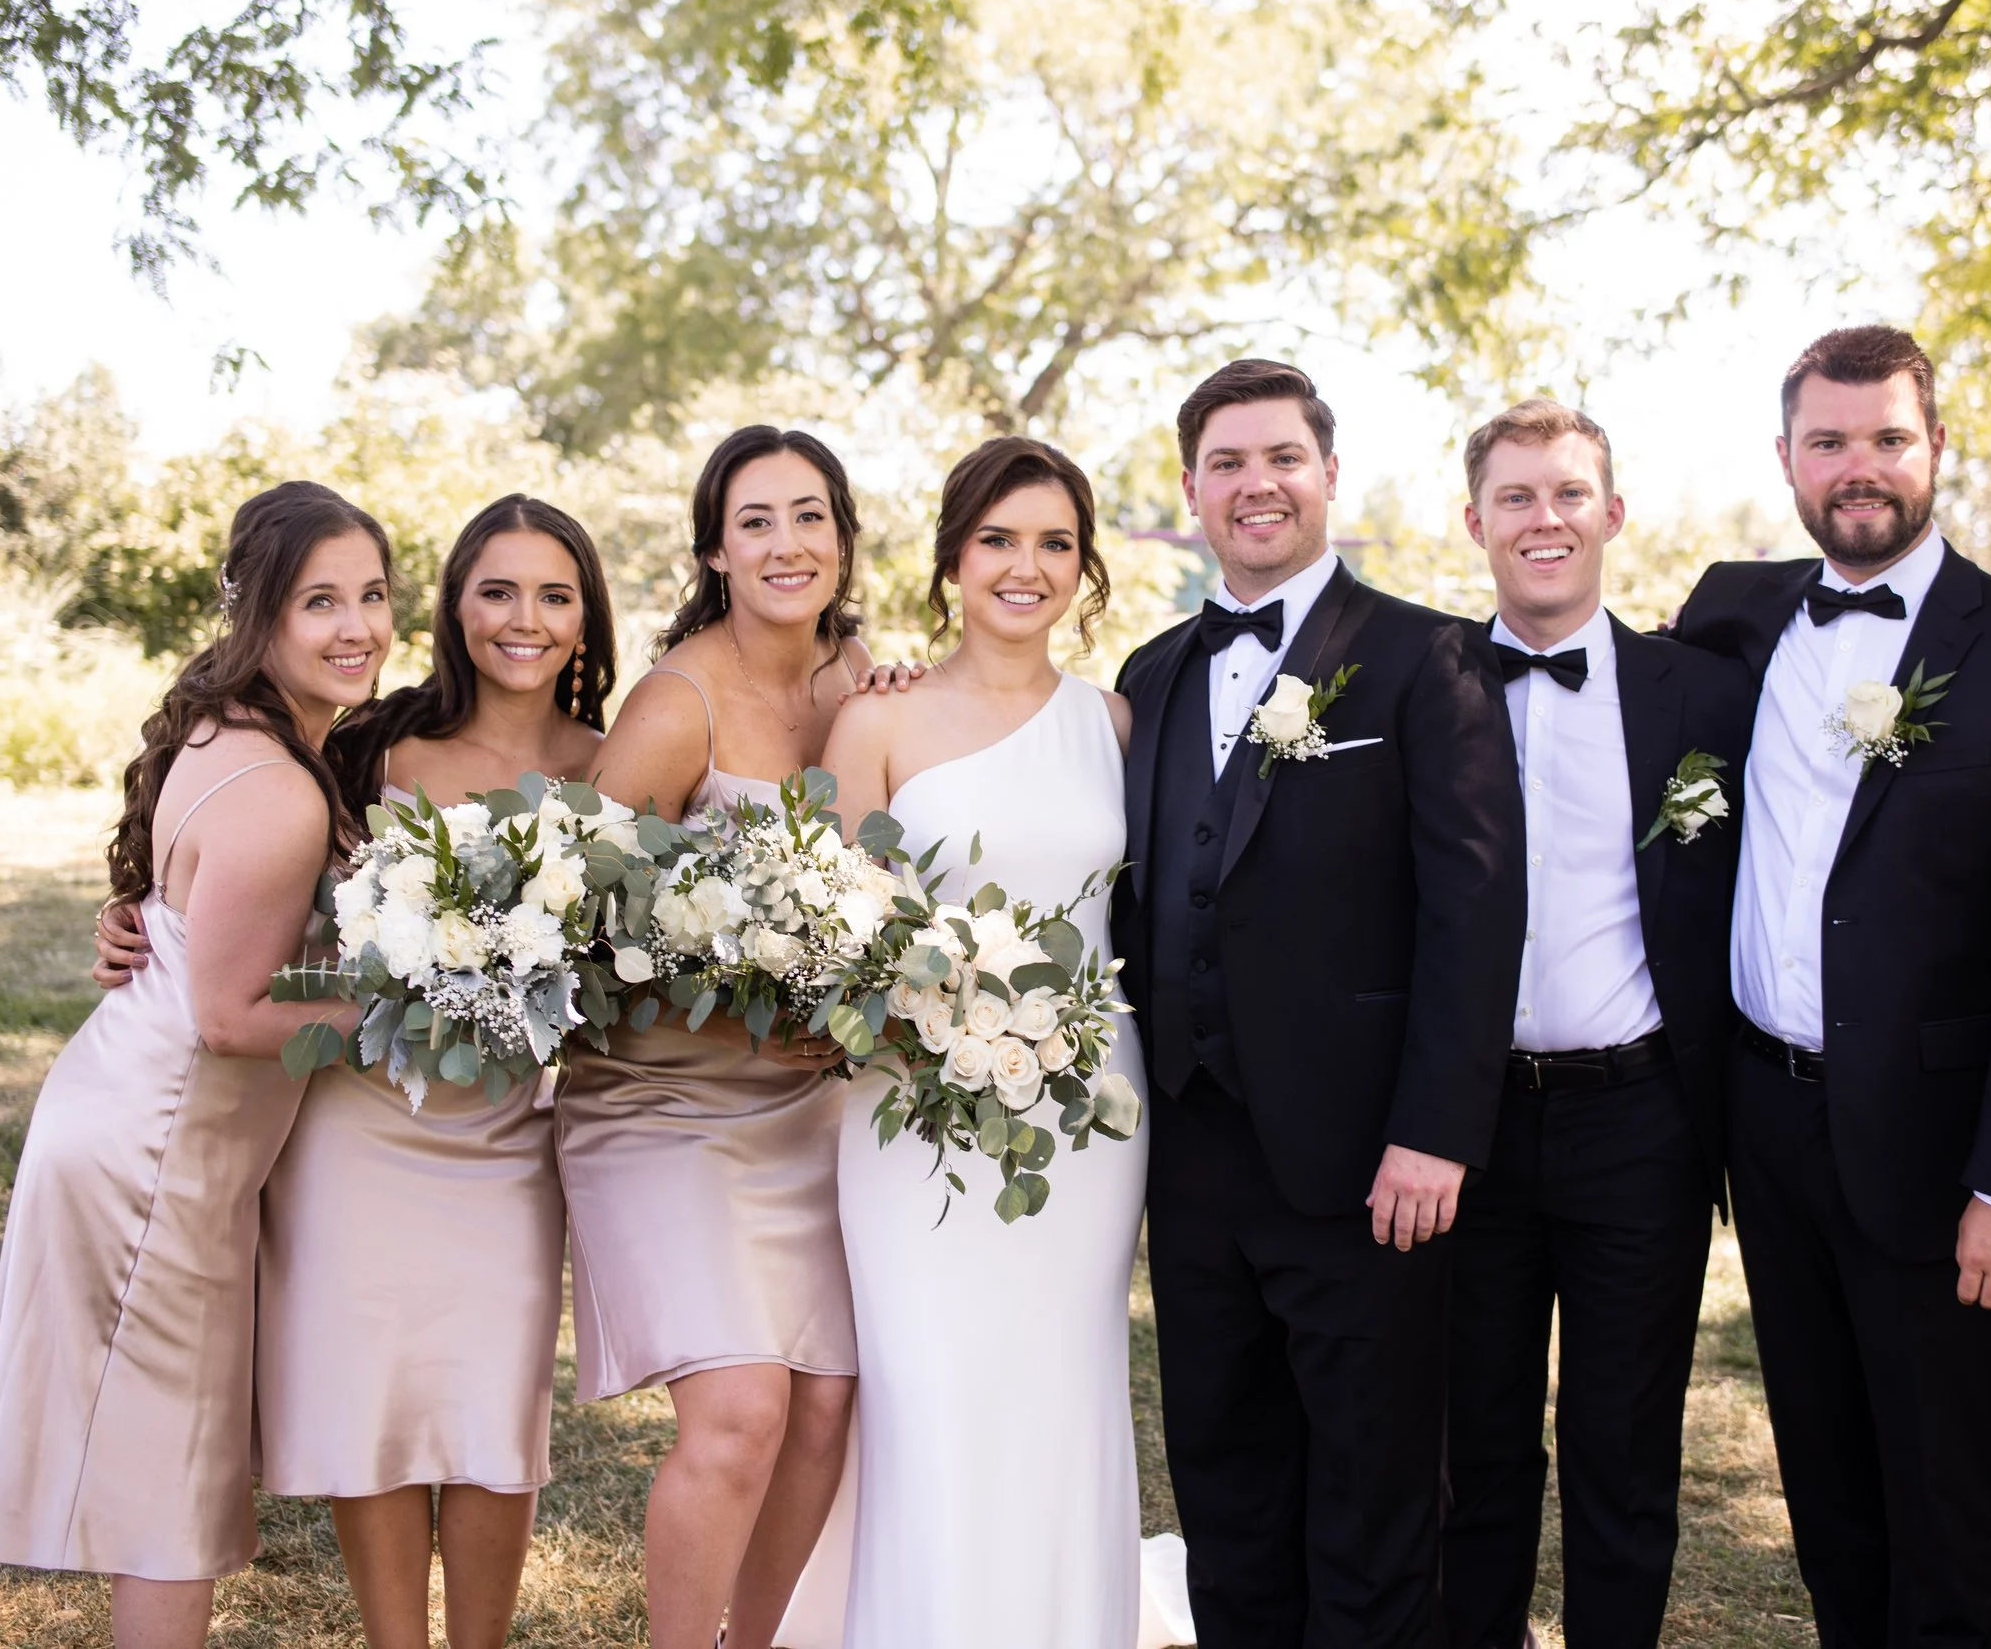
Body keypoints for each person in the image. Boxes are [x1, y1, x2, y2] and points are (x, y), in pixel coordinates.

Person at [1669, 325, 1991, 1649]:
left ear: (1937, 449)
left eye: (1885, 438)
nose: (1856, 466)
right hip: (1768, 1126)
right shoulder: (1733, 612)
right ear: (1786, 458)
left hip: (1943, 1147)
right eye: (1828, 441)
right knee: (1825, 1484)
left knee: (1944, 1497)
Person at [1113, 358, 1525, 1647]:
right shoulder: (1151, 671)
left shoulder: (1425, 656)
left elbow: (1475, 912)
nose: (1257, 485)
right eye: (1226, 463)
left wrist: (1435, 1131)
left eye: (1282, 457)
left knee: (1372, 1497)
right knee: (1226, 1483)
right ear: (1191, 490)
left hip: (1366, 1164)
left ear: (1329, 475)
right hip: (1192, 1158)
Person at [0, 481, 390, 1649]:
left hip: (133, 1120)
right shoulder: (278, 788)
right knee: (170, 1500)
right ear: (259, 611)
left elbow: (185, 920)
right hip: (158, 1154)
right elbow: (231, 1017)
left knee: (164, 1480)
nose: (356, 625)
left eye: (371, 595)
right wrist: (403, 1010)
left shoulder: (236, 728)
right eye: (319, 601)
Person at [821, 434, 1168, 1647]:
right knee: (929, 1393)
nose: (1026, 567)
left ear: (1084, 566)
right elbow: (835, 937)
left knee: (1062, 1386)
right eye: (998, 540)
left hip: (1086, 1113)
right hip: (908, 1110)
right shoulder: (876, 718)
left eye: (1054, 543)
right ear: (952, 559)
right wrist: (928, 1012)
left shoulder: (1115, 723)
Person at [257, 494, 611, 1649]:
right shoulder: (371, 743)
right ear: (456, 606)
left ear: (586, 615)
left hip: (507, 1136)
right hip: (359, 1127)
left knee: (492, 1414)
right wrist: (134, 906)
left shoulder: (611, 767)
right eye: (496, 590)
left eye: (553, 594)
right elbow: (239, 849)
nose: (524, 618)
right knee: (376, 1404)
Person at [1441, 400, 1755, 1649]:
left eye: (1569, 492)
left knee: (1625, 1448)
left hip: (1640, 1119)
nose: (1545, 518)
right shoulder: (1424, 684)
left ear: (1612, 512)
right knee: (1473, 1445)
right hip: (1464, 1122)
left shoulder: (1704, 690)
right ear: (1474, 521)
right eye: (1515, 496)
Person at [562, 427, 868, 1649]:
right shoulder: (674, 702)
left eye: (809, 515)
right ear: (714, 552)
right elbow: (567, 929)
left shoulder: (862, 682)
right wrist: (737, 1000)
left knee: (826, 1406)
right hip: (660, 1105)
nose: (786, 543)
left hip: (806, 1108)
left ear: (842, 538)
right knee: (741, 1410)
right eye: (755, 521)